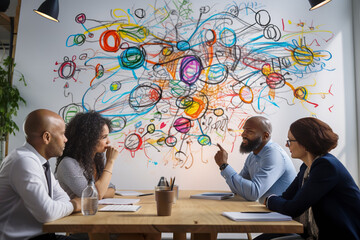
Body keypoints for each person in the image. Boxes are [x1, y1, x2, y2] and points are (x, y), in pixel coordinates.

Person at [263, 117, 360, 240]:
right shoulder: (307, 167)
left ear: (305, 143)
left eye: (290, 141)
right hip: (313, 234)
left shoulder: (326, 166)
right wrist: (274, 200)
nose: (286, 145)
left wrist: (270, 199)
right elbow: (287, 197)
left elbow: (293, 208)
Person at [0, 109, 81, 240]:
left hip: (43, 235)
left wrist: (65, 205)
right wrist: (75, 205)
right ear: (46, 137)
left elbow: (62, 197)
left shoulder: (40, 162)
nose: (66, 140)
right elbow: (47, 213)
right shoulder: (23, 161)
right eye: (62, 134)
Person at [214, 116, 296, 203]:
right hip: (266, 211)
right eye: (244, 130)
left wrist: (224, 165)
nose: (243, 135)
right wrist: (225, 168)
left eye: (249, 131)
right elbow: (238, 189)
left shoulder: (274, 154)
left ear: (265, 136)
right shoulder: (253, 155)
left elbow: (253, 193)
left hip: (282, 214)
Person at [55, 111, 118, 200]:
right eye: (104, 137)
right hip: (73, 213)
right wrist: (110, 161)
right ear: (88, 139)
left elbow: (112, 189)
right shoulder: (68, 163)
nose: (108, 142)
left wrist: (98, 193)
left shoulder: (95, 159)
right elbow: (93, 196)